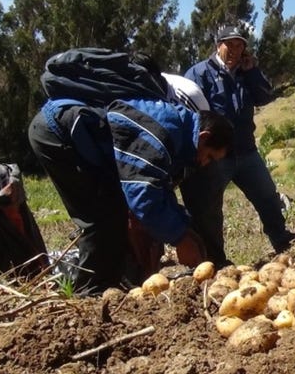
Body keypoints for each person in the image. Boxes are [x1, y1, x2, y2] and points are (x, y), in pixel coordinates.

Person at [28, 75, 234, 294]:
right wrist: (180, 238)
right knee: (100, 218)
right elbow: (143, 196)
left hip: (83, 145)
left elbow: (160, 187)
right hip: (56, 133)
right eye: (210, 156)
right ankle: (90, 293)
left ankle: (113, 281)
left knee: (114, 212)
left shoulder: (177, 135)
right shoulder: (162, 131)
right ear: (203, 137)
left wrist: (184, 228)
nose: (204, 164)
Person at [182, 25, 295, 266]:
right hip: (216, 154)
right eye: (229, 44)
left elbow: (265, 97)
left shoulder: (246, 73)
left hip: (246, 151)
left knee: (267, 195)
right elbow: (190, 114)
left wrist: (253, 71)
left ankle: (282, 240)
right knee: (209, 209)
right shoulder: (199, 73)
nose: (234, 50)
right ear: (218, 45)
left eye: (239, 45)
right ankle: (215, 260)